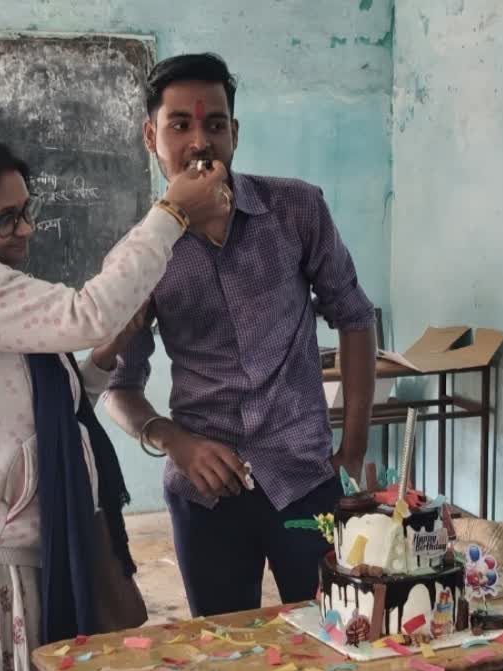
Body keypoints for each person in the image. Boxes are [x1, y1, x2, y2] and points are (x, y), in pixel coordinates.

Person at [0, 137, 230, 671]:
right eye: (5, 219)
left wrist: (103, 357)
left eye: (25, 211)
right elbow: (87, 312)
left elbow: (55, 409)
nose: (24, 229)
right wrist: (171, 213)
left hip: (10, 542)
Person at [104, 53, 378, 618]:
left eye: (215, 124)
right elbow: (118, 388)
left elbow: (353, 315)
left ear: (236, 131)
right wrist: (175, 441)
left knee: (336, 633)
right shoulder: (140, 257)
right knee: (226, 645)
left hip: (305, 481)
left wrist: (352, 446)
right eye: (180, 124)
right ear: (150, 135)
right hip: (206, 494)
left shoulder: (296, 208)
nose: (200, 141)